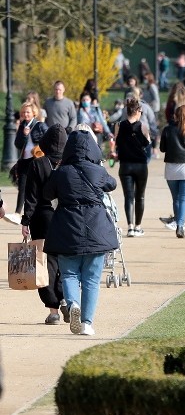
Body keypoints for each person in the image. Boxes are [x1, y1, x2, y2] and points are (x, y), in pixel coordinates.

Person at [43, 130, 118, 336]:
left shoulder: (62, 172)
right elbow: (112, 184)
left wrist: (59, 171)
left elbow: (47, 194)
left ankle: (73, 303)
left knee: (69, 274)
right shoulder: (97, 171)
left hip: (67, 228)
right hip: (96, 229)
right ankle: (86, 323)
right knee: (92, 279)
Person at [21, 124, 67, 325]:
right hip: (64, 218)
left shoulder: (37, 164)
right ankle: (65, 296)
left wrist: (25, 220)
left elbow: (30, 197)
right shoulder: (68, 165)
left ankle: (53, 310)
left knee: (43, 264)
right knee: (64, 261)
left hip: (42, 217)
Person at [113, 98, 151, 237]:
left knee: (128, 197)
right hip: (140, 165)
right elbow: (147, 144)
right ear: (136, 111)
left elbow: (117, 143)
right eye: (140, 111)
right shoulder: (143, 126)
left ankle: (130, 227)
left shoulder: (119, 125)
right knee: (140, 197)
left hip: (125, 165)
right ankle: (138, 226)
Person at [159, 105, 185, 238]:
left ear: (175, 115)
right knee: (184, 198)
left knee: (175, 198)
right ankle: (181, 225)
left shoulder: (167, 130)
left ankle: (177, 222)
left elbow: (162, 148)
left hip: (171, 166)